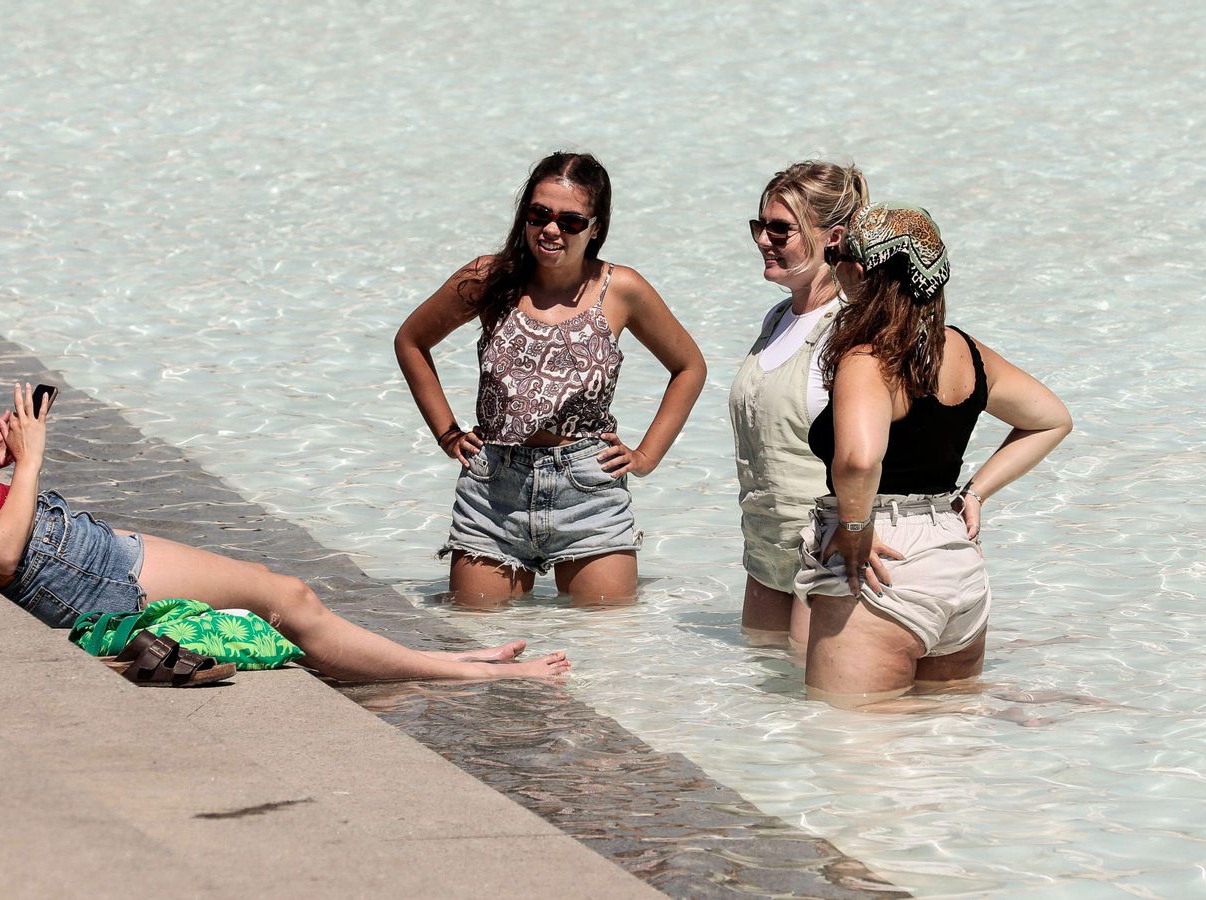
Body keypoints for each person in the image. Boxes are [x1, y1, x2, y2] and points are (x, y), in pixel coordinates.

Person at [0, 280, 571, 683]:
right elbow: (1, 556)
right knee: (286, 597)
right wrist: (33, 456)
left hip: (65, 551)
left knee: (274, 600)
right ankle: (462, 672)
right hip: (64, 566)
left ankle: (448, 663)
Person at [395, 152, 706, 608]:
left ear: (596, 227)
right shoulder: (490, 277)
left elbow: (689, 367)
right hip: (493, 488)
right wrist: (446, 433)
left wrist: (646, 456)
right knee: (477, 641)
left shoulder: (621, 289)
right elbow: (412, 341)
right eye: (539, 214)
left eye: (571, 220)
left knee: (605, 649)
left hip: (589, 491)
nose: (551, 229)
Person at [795, 203, 1072, 707]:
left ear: (859, 272)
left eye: (837, 258)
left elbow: (859, 460)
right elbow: (1051, 419)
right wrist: (975, 493)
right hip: (955, 560)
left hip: (884, 563)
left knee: (847, 756)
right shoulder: (965, 352)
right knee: (944, 756)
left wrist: (855, 530)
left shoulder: (867, 358)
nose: (833, 269)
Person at [729, 161, 869, 647]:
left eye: (780, 229)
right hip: (764, 547)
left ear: (833, 236)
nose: (764, 240)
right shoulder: (776, 318)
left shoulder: (852, 326)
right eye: (759, 227)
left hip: (827, 556)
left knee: (822, 710)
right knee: (766, 695)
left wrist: (859, 526)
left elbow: (885, 444)